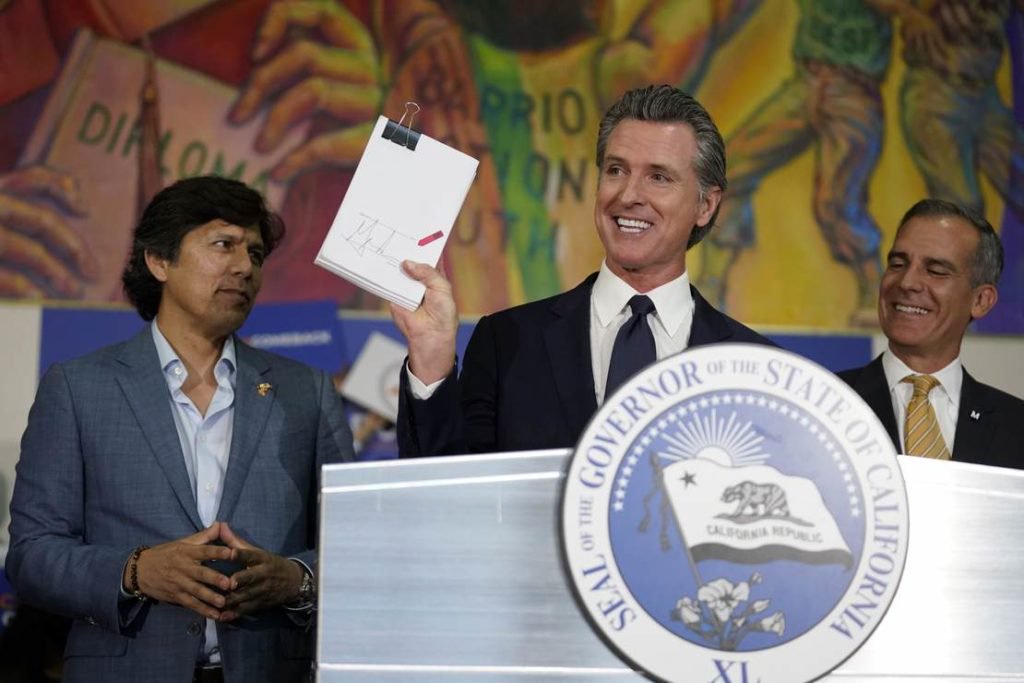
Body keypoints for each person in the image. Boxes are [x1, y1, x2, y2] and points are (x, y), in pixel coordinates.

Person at [5, 176, 355, 682]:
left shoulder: (307, 392)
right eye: (223, 245)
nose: (245, 267)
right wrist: (136, 572)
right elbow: (33, 555)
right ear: (159, 261)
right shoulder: (79, 388)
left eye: (255, 254)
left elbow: (354, 547)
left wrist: (294, 579)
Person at [391, 84, 774, 457]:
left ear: (706, 205)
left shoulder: (759, 369)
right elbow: (448, 489)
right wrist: (432, 360)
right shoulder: (506, 343)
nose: (628, 195)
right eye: (616, 170)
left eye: (658, 177)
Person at [839, 199, 1024, 468]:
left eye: (936, 271)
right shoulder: (825, 403)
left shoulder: (1016, 427)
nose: (907, 282)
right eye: (897, 264)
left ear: (981, 300)